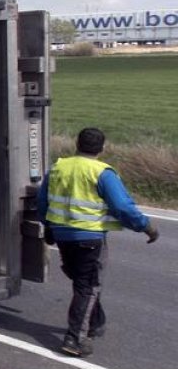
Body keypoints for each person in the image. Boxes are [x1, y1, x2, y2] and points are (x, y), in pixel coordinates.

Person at [38, 127, 160, 357]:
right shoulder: (102, 172)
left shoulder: (57, 168)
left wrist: (48, 227)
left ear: (77, 144)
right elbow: (122, 207)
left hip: (63, 237)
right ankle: (75, 339)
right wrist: (147, 227)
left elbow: (43, 202)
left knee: (85, 284)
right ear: (102, 148)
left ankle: (94, 323)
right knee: (88, 286)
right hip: (89, 238)